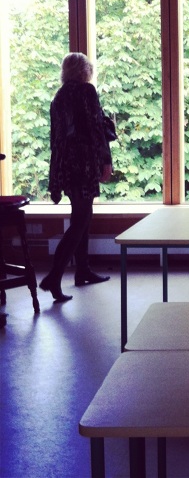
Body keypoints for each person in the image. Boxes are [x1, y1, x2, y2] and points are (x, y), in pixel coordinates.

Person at [40, 53, 113, 302]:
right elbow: (96, 128)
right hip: (84, 163)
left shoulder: (58, 97)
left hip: (66, 165)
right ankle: (54, 277)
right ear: (84, 70)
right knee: (81, 221)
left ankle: (82, 270)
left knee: (81, 215)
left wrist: (56, 173)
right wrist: (106, 160)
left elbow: (55, 139)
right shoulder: (86, 91)